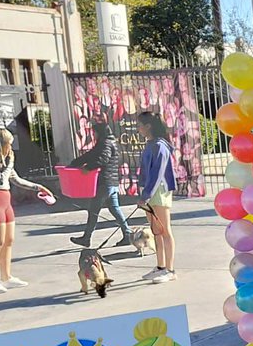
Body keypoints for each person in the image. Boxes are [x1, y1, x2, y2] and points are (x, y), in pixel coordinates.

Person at [0, 128, 53, 294]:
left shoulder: (3, 161)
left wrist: (38, 187)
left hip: (5, 201)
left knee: (9, 240)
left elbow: (15, 179)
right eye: (9, 144)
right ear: (0, 144)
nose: (11, 148)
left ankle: (6, 277)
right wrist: (10, 163)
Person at [69, 123, 132, 248]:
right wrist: (74, 163)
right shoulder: (109, 142)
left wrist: (88, 167)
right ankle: (127, 233)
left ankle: (86, 238)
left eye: (95, 132)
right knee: (115, 208)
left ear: (100, 132)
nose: (94, 134)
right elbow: (90, 155)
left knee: (93, 211)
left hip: (104, 182)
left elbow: (103, 159)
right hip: (112, 183)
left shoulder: (105, 143)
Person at [136, 111, 177, 284]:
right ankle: (160, 267)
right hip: (150, 192)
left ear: (148, 126)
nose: (138, 129)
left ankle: (170, 270)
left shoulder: (160, 146)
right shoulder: (151, 144)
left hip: (159, 192)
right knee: (156, 231)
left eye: (140, 125)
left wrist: (146, 195)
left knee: (165, 231)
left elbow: (157, 173)